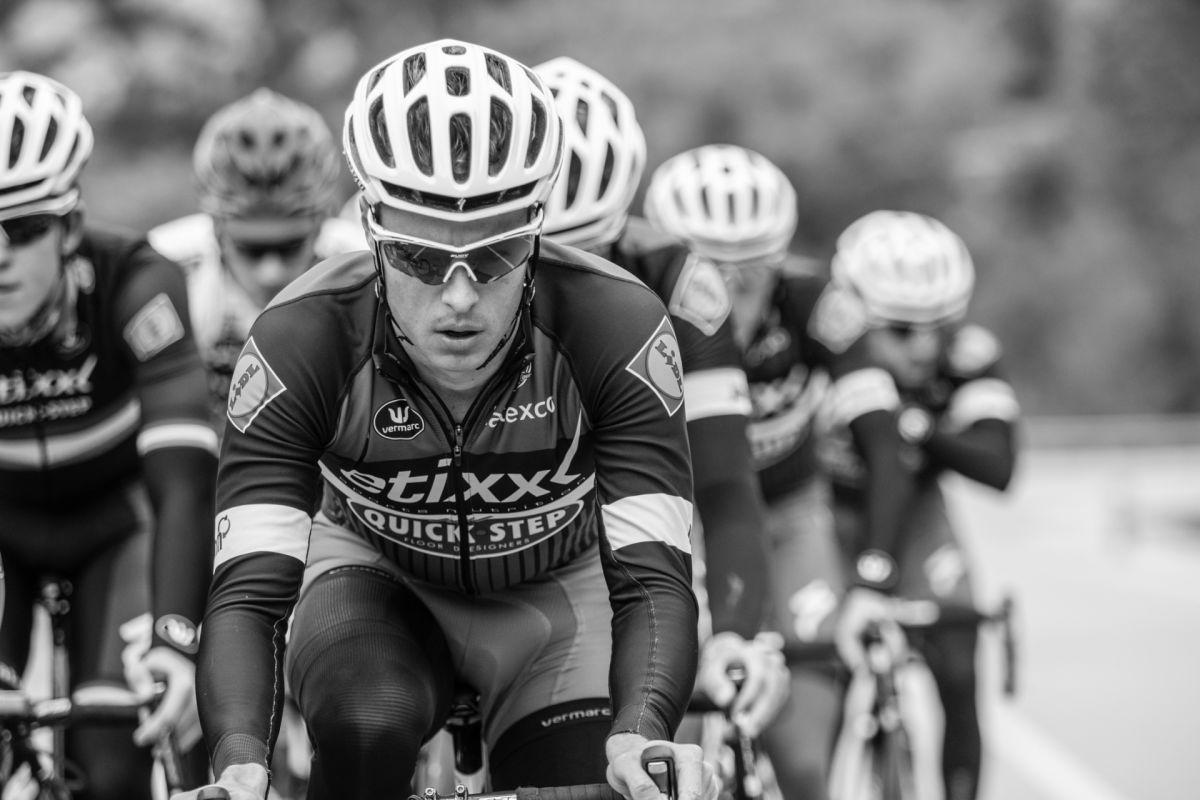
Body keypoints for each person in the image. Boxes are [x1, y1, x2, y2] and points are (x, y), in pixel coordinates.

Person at [176, 39, 717, 800]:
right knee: (365, 725)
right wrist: (240, 764)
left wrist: (642, 730)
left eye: (495, 255)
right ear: (370, 226)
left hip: (558, 606)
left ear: (537, 228)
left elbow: (652, 576)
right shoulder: (302, 337)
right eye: (421, 259)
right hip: (372, 584)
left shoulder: (615, 323)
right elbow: (249, 595)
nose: (459, 297)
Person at [643, 145, 913, 800]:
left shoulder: (817, 305)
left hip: (786, 514)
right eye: (707, 270)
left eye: (752, 272)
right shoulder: (626, 305)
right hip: (676, 520)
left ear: (781, 261)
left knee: (804, 766)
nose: (727, 291)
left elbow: (885, 446)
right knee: (668, 753)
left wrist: (873, 580)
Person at [534, 56, 787, 741]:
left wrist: (735, 634)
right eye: (528, 255)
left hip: (617, 538)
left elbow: (725, 485)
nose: (555, 279)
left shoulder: (680, 281)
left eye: (591, 251)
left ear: (624, 223)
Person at [0, 70, 215, 799]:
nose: (0, 255)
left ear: (68, 227)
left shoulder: (137, 280)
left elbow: (183, 481)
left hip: (115, 529)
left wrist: (175, 642)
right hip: (2, 534)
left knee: (115, 762)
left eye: (23, 230)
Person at [819, 209, 1020, 800]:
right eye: (902, 330)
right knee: (823, 680)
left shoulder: (968, 355)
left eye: (940, 326)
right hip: (829, 515)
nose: (924, 347)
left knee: (958, 668)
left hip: (918, 517)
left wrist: (917, 427)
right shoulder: (820, 344)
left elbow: (998, 465)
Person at [149, 87, 364, 432]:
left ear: (322, 222)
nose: (270, 272)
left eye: (290, 246)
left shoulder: (365, 265)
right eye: (251, 249)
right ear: (216, 228)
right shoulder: (165, 265)